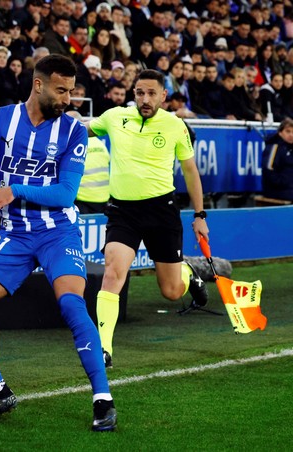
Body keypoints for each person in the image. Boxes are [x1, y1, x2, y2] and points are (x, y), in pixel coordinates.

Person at [0, 54, 116, 431]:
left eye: (71, 91)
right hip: (14, 235)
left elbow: (67, 193)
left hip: (57, 232)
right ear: (38, 85)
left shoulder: (73, 131)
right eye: (61, 90)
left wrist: (12, 190)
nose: (68, 99)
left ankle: (103, 399)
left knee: (71, 304)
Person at [86, 69, 209, 368]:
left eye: (152, 93)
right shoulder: (115, 117)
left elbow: (191, 171)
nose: (145, 99)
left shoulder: (175, 126)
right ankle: (103, 349)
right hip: (122, 211)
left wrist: (199, 215)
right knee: (113, 273)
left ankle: (188, 273)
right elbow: (81, 129)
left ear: (164, 96)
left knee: (171, 291)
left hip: (161, 211)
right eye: (140, 92)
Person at [261, 117, 293, 201]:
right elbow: (268, 169)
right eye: (288, 131)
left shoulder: (290, 149)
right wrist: (284, 183)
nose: (291, 135)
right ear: (280, 133)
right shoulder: (274, 147)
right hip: (277, 192)